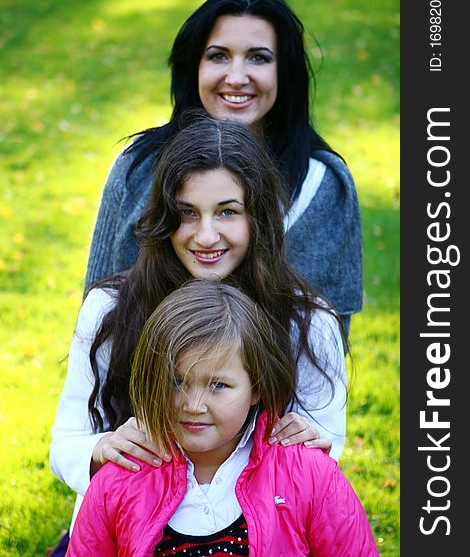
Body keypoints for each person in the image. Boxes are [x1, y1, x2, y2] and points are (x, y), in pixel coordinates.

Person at [50, 118, 348, 551]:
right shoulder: (111, 309)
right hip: (127, 532)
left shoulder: (306, 322)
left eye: (227, 211)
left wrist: (309, 439)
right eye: (187, 213)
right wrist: (102, 448)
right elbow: (64, 445)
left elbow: (324, 463)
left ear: (258, 218)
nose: (206, 236)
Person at [83, 0, 362, 335]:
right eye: (218, 56)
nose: (236, 77)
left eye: (259, 57)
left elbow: (330, 347)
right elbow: (96, 315)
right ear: (194, 66)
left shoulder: (324, 186)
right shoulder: (138, 168)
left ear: (285, 72)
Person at [66, 280, 377, 556]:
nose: (193, 405)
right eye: (177, 382)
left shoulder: (309, 474)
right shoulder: (118, 480)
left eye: (218, 385)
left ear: (256, 387)